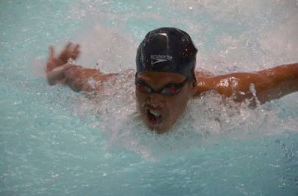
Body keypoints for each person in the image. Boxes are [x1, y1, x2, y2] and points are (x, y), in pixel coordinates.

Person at [46, 27, 298, 133]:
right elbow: (69, 74)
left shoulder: (227, 94)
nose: (154, 99)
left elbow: (285, 77)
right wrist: (57, 69)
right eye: (143, 85)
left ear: (192, 85)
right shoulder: (116, 91)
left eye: (170, 88)